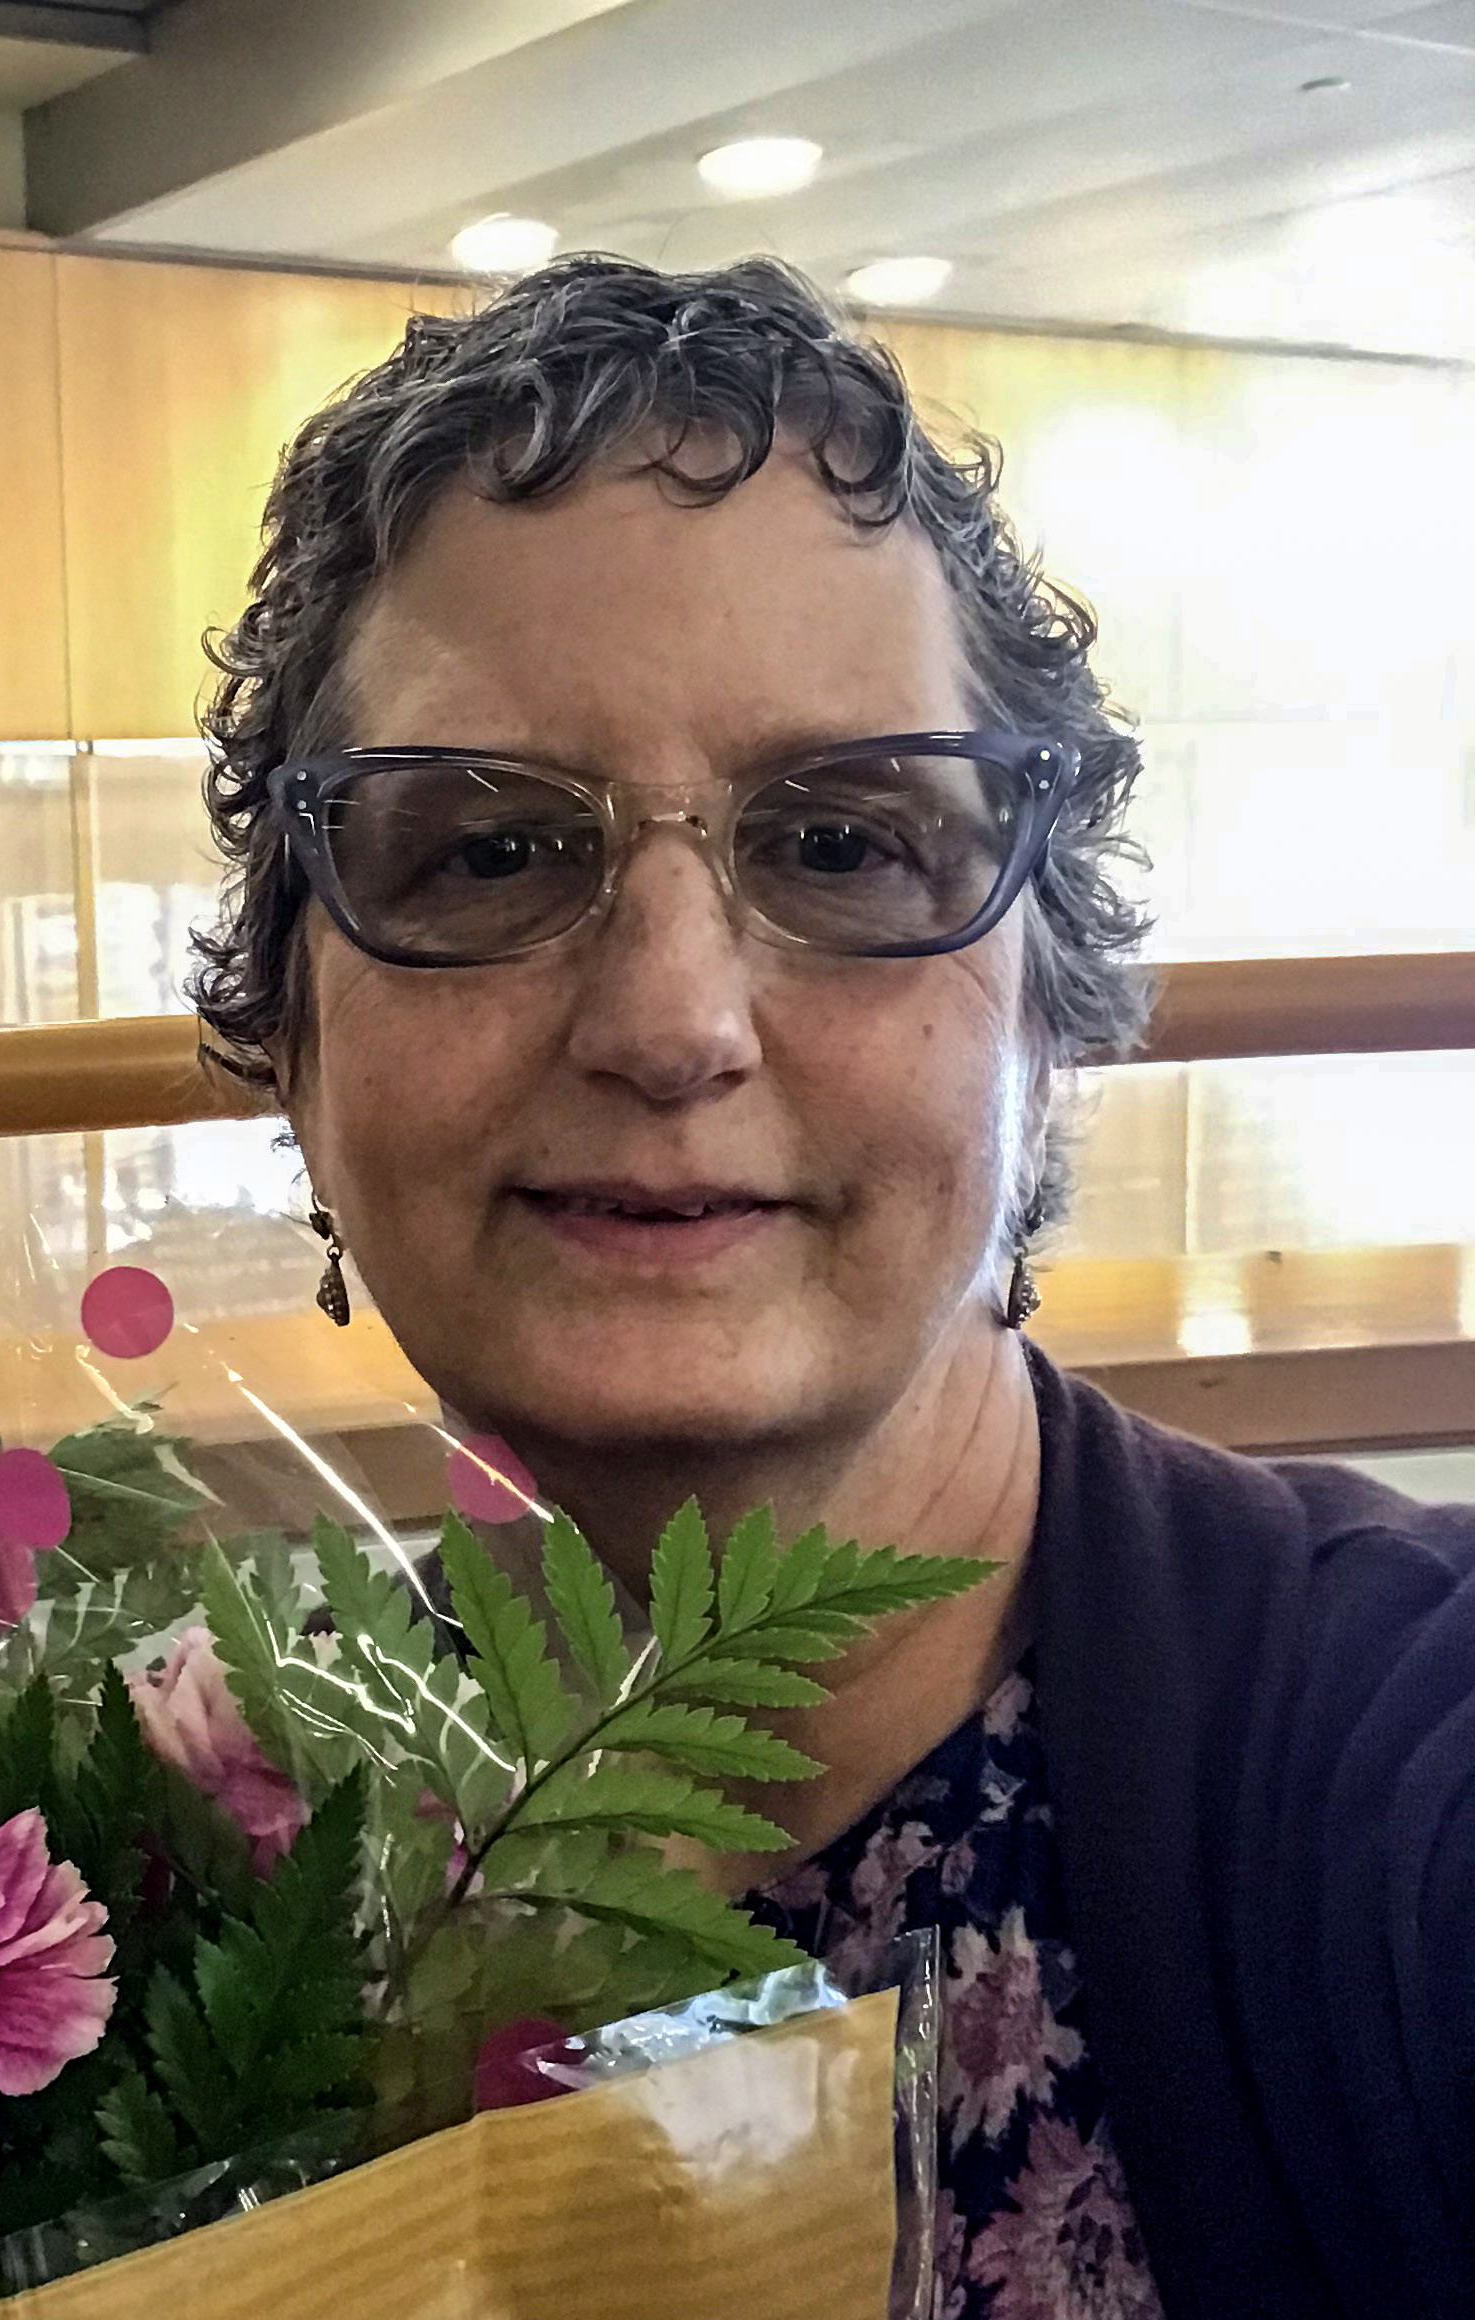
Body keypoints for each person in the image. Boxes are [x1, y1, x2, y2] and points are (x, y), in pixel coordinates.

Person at [189, 256, 1475, 2320]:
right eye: (492, 852)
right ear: (290, 1026)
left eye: (845, 841)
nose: (670, 1017)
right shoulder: (170, 1870)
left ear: (1046, 1013)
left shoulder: (1401, 1791)